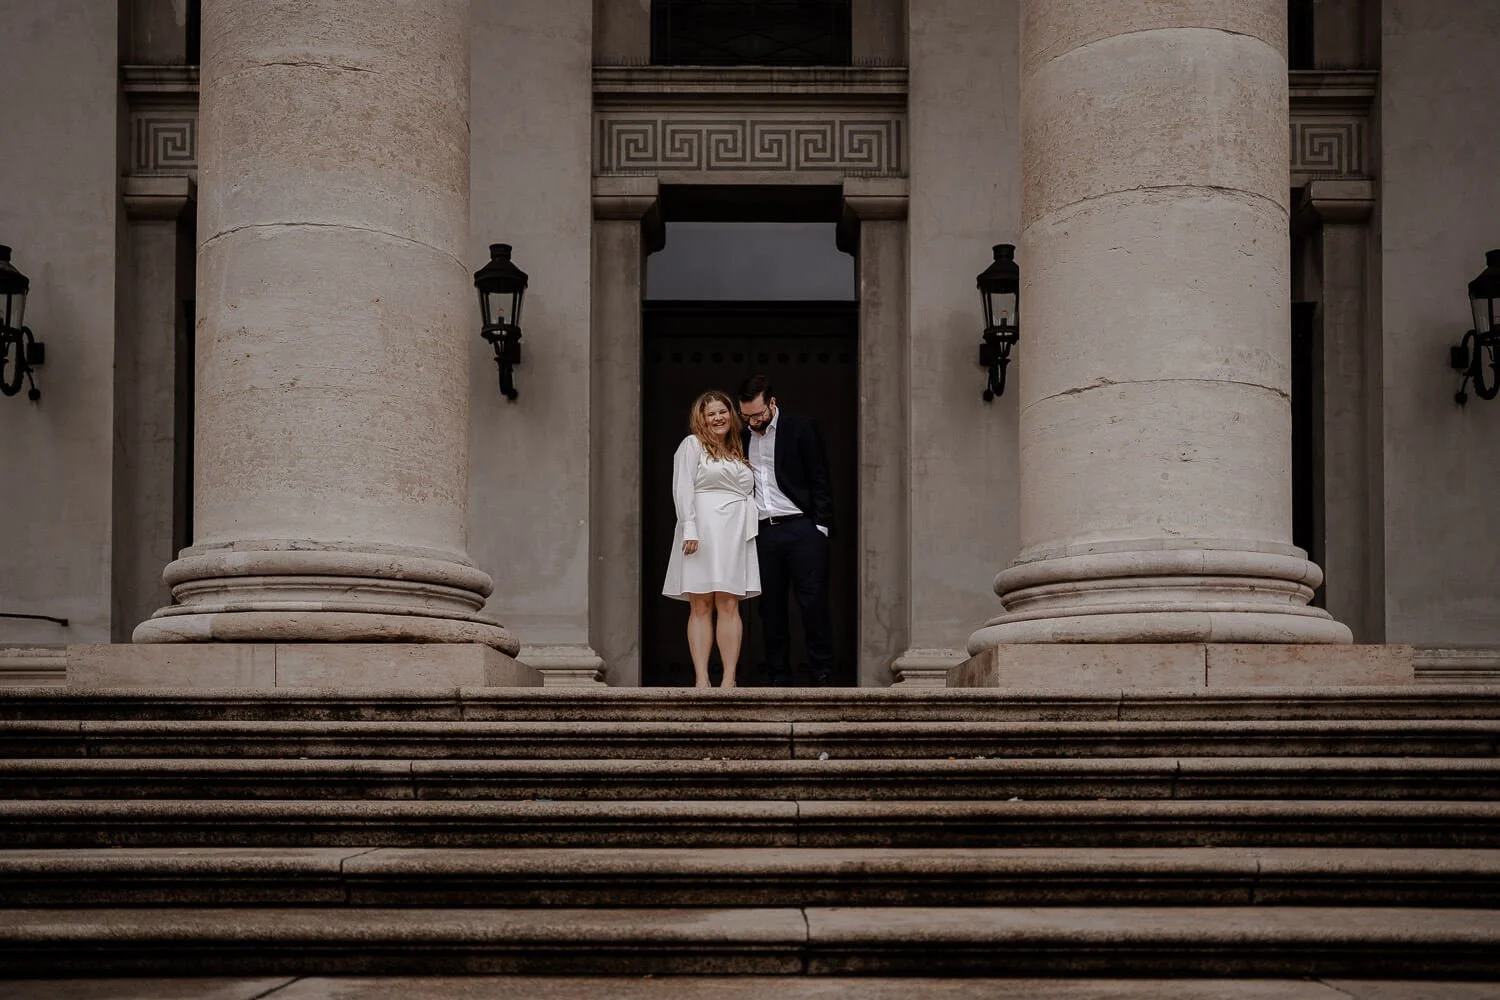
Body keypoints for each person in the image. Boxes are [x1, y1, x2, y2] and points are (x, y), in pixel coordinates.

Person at [737, 374, 835, 686]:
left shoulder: (800, 428)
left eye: (758, 415)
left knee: (812, 602)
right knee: (770, 607)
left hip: (801, 528)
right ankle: (778, 675)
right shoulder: (741, 437)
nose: (753, 422)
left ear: (772, 403)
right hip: (763, 533)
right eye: (746, 417)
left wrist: (820, 527)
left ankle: (821, 671)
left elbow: (820, 478)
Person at [662, 390, 761, 688]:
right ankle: (702, 679)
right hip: (702, 529)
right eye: (711, 414)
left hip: (734, 532)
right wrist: (689, 528)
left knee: (730, 603)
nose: (718, 418)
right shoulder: (692, 445)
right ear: (702, 419)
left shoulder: (737, 449)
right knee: (701, 604)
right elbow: (682, 487)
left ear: (731, 415)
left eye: (723, 411)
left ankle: (729, 679)